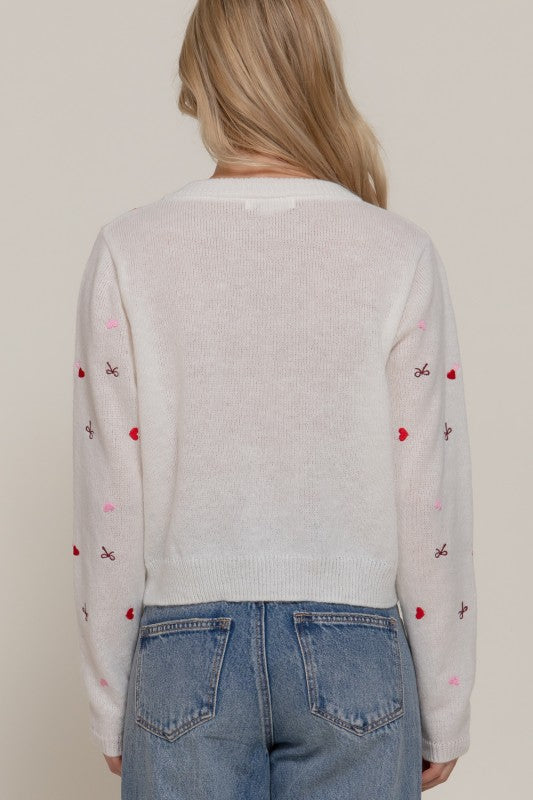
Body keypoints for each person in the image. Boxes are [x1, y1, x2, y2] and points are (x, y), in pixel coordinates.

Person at [71, 1, 477, 796]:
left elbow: (109, 497)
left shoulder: (129, 250)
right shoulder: (397, 253)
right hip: (356, 650)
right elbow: (427, 499)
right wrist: (445, 706)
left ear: (202, 82)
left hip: (182, 648)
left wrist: (109, 700)